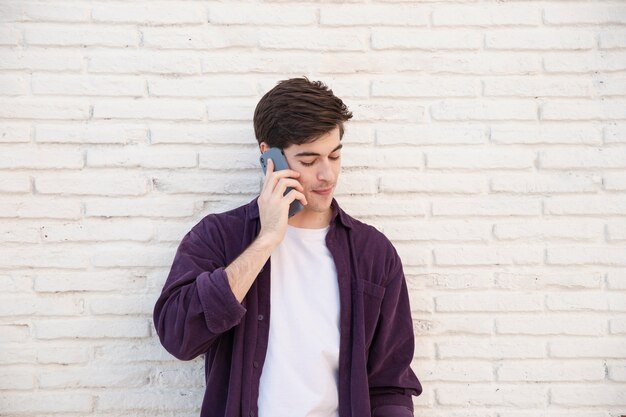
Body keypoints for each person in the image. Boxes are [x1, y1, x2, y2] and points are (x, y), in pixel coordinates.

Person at [153, 77, 422, 417]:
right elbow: (179, 338)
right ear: (270, 157)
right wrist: (267, 239)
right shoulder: (219, 237)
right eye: (309, 161)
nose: (327, 175)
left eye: (335, 156)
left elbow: (390, 384)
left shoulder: (372, 253)